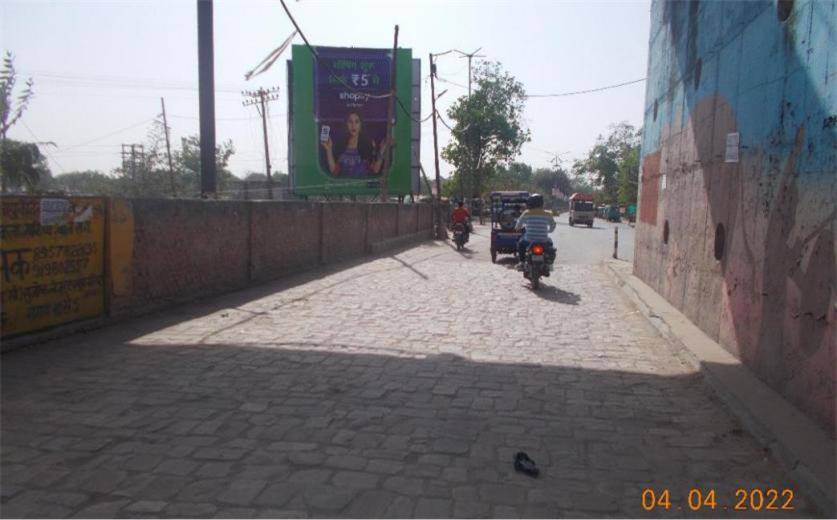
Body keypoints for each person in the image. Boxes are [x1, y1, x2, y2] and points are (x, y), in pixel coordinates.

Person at [321, 112, 388, 178]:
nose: (353, 125)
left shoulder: (369, 142)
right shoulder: (340, 143)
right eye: (350, 122)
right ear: (346, 124)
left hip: (363, 186)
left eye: (357, 122)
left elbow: (375, 170)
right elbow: (334, 171)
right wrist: (328, 150)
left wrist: (382, 150)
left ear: (361, 124)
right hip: (345, 185)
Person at [515, 193, 556, 264]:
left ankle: (521, 262)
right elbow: (553, 225)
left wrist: (517, 228)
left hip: (529, 240)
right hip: (543, 240)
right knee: (550, 244)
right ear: (542, 203)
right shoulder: (548, 213)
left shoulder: (526, 213)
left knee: (521, 244)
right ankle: (549, 262)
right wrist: (550, 230)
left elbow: (519, 224)